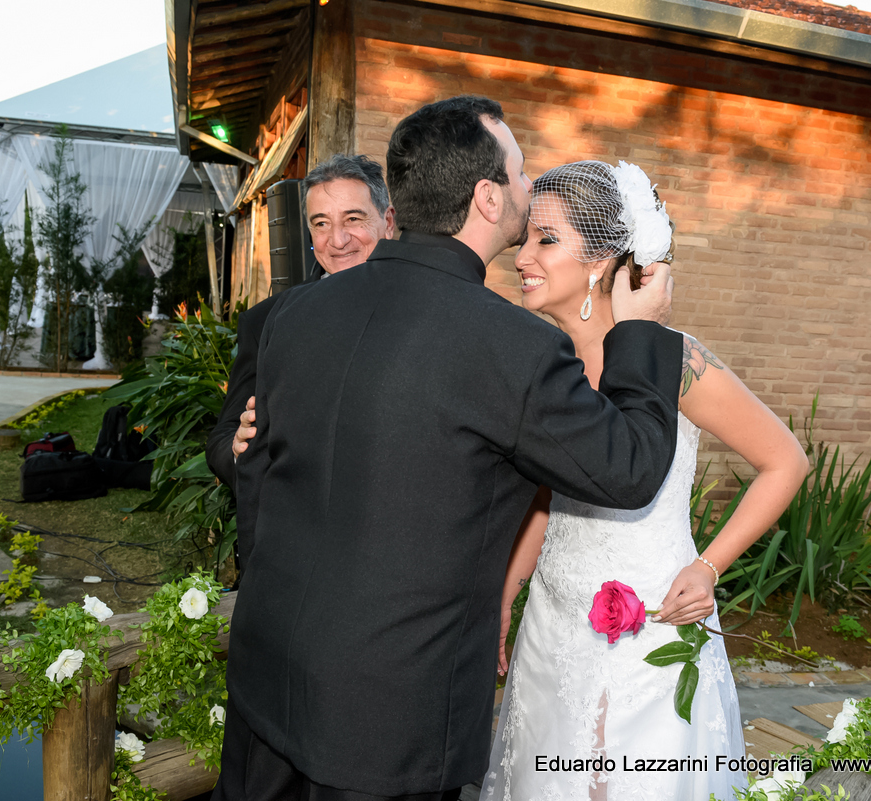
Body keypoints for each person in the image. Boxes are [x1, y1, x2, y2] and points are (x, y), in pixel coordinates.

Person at [213, 95, 683, 801]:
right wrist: (639, 331)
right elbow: (629, 467)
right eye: (521, 176)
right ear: (489, 198)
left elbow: (262, 485)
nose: (529, 188)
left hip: (266, 680)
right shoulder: (513, 345)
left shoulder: (291, 316)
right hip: (386, 724)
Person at [480, 161, 810, 801]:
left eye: (546, 239)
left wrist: (709, 568)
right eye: (526, 238)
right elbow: (546, 494)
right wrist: (506, 593)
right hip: (553, 621)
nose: (522, 256)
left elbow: (786, 461)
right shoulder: (544, 361)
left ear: (601, 260)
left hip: (649, 617)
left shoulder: (673, 359)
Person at [205, 154, 395, 564]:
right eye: (321, 223)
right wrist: (237, 450)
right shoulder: (265, 321)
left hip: (392, 553)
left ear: (389, 221)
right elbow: (220, 440)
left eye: (354, 219)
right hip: (291, 554)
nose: (337, 239)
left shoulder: (421, 314)